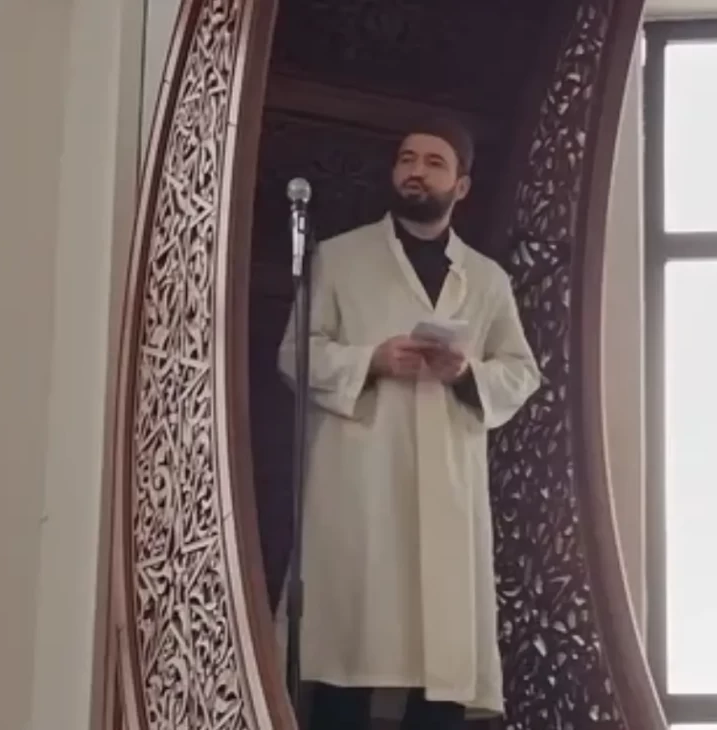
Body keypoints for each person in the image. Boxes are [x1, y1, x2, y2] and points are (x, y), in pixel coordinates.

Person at [278, 118, 541, 730]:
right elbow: (294, 353)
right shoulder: (339, 258)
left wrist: (464, 371)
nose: (415, 171)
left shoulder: (487, 279)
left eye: (433, 162)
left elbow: (521, 371)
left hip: (447, 487)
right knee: (348, 655)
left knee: (439, 664)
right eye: (406, 159)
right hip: (361, 477)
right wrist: (369, 360)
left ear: (462, 186)